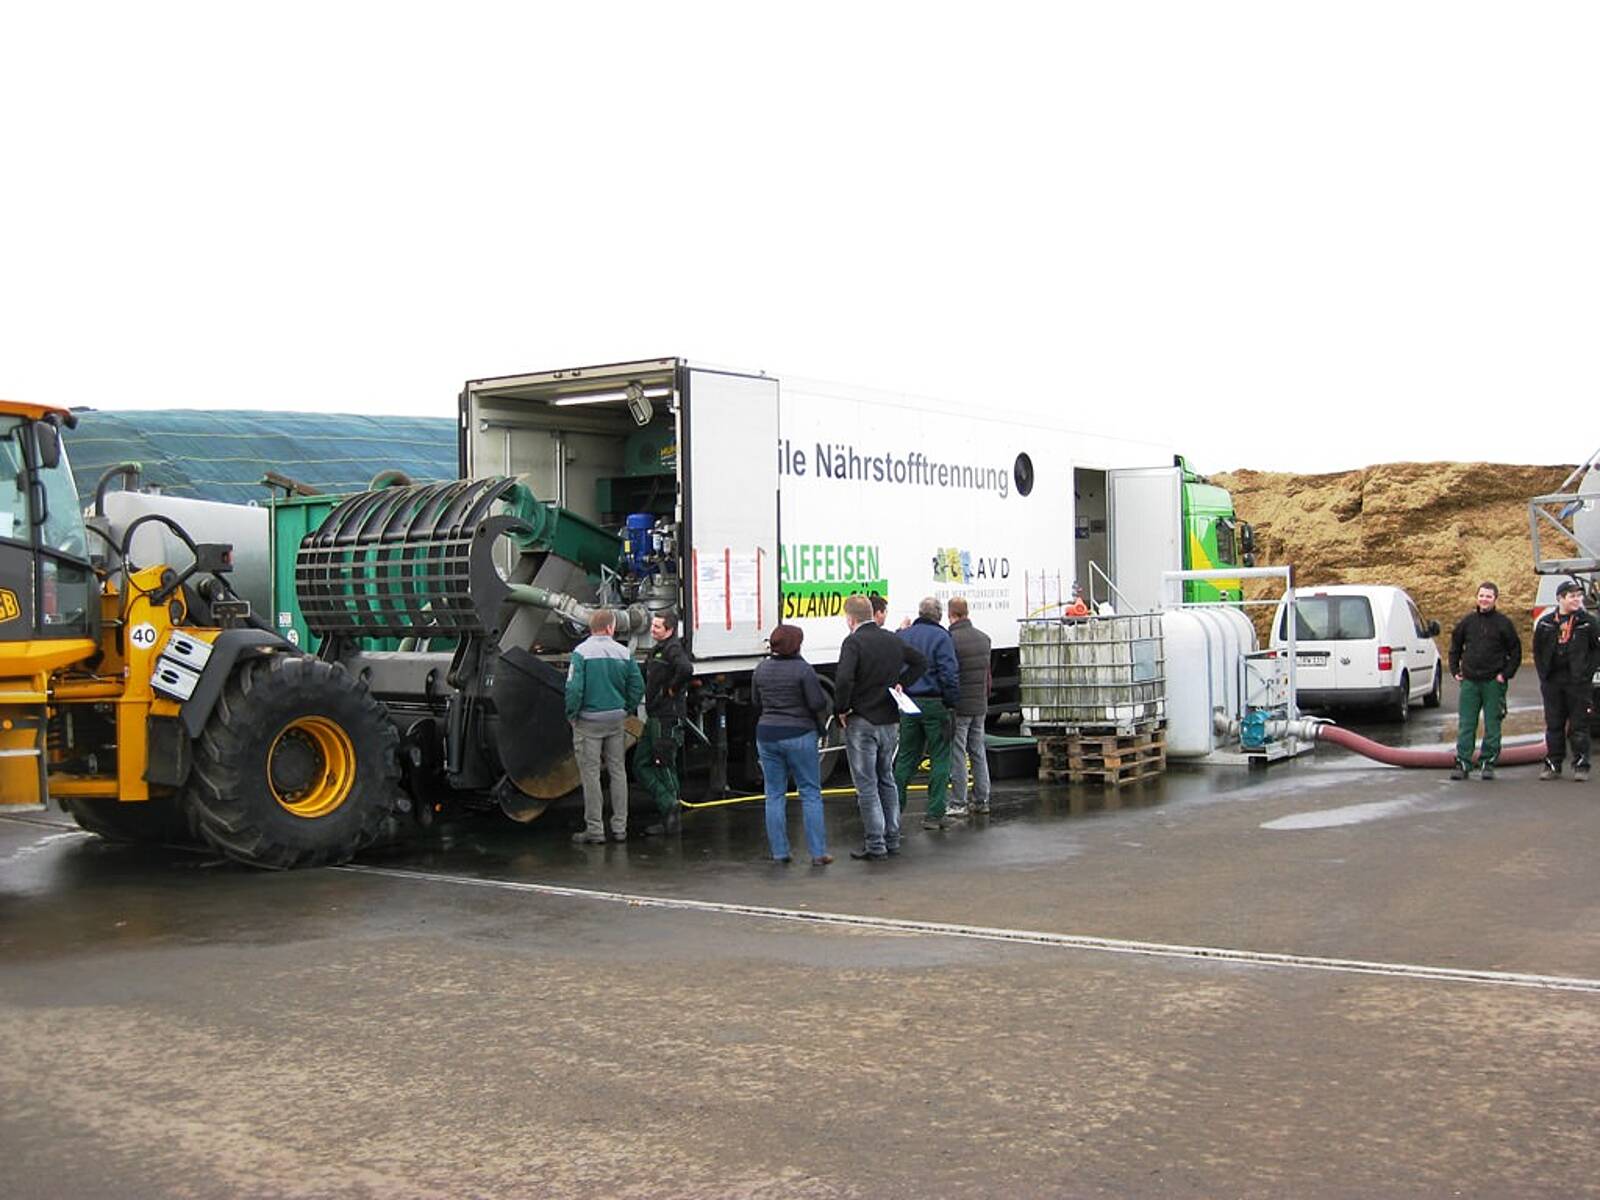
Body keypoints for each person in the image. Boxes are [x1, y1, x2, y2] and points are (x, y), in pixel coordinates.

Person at [834, 593, 926, 860]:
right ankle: (893, 838)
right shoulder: (892, 639)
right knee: (886, 778)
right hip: (890, 720)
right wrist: (902, 683)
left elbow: (844, 679)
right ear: (872, 613)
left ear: (850, 618)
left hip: (862, 720)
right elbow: (921, 661)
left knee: (867, 785)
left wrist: (841, 708)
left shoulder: (853, 642)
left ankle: (875, 843)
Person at [751, 624, 832, 865]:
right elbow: (817, 703)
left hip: (767, 734)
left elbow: (756, 702)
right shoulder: (803, 670)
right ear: (796, 645)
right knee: (810, 792)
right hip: (799, 733)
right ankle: (818, 853)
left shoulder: (761, 669)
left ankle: (780, 852)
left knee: (774, 794)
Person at [565, 608, 645, 842]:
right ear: (611, 628)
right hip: (615, 720)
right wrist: (626, 709)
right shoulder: (624, 653)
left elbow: (574, 688)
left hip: (588, 721)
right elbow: (637, 686)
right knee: (618, 771)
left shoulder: (581, 652)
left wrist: (572, 713)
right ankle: (620, 827)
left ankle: (595, 829)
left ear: (591, 628)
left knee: (591, 774)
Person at [894, 596, 962, 830]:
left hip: (908, 703)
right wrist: (951, 702)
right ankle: (934, 814)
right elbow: (948, 673)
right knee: (940, 757)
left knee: (906, 757)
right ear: (939, 615)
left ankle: (893, 810)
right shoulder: (942, 637)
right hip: (935, 703)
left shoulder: (904, 635)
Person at [1448, 581, 1522, 781]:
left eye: (1489, 596)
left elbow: (1515, 651)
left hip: (1493, 682)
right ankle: (1463, 763)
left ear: (1495, 599)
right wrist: (1455, 670)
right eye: (1481, 595)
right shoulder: (1467, 622)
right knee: (1466, 724)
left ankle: (1488, 763)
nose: (1484, 599)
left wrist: (1505, 674)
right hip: (1470, 682)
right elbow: (1455, 646)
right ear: (1477, 597)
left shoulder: (1504, 623)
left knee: (1493, 725)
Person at [1533, 580, 1599, 782]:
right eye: (1572, 596)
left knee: (1579, 725)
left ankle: (1581, 765)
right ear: (1560, 598)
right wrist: (1543, 673)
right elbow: (1537, 650)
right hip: (1553, 681)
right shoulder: (1546, 623)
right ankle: (1553, 764)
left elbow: (1596, 650)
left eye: (1579, 596)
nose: (1577, 600)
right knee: (1554, 724)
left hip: (1578, 682)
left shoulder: (1587, 622)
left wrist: (1586, 673)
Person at [635, 611, 693, 834]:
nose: (652, 630)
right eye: (653, 625)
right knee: (640, 764)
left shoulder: (672, 649)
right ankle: (668, 804)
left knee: (664, 763)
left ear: (670, 630)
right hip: (654, 715)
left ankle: (671, 814)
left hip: (667, 716)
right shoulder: (657, 650)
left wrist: (671, 690)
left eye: (657, 627)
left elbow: (686, 669)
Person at [945, 596, 992, 818]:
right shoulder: (984, 639)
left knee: (958, 754)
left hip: (960, 706)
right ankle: (982, 799)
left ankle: (958, 802)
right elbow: (987, 676)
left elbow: (951, 675)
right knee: (978, 752)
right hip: (979, 704)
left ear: (950, 615)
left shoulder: (950, 640)